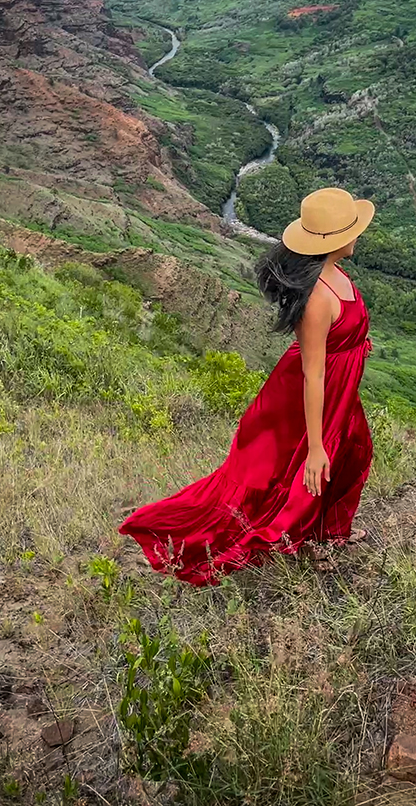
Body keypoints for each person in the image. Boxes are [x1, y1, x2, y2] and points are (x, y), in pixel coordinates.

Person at [119, 186, 375, 585]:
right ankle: (302, 539)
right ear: (338, 239)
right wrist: (314, 444)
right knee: (298, 473)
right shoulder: (318, 300)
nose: (359, 235)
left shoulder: (335, 274)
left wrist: (357, 348)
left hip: (339, 393)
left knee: (353, 454)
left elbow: (341, 344)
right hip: (308, 398)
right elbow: (314, 373)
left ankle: (329, 534)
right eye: (353, 229)